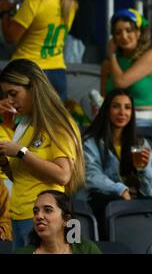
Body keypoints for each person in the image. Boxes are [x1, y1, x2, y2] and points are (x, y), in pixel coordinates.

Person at [0, 59, 85, 249]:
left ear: (33, 88)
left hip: (44, 219)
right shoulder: (25, 124)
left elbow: (63, 175)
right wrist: (5, 163)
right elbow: (22, 178)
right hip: (19, 215)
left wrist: (21, 152)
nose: (10, 101)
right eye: (6, 94)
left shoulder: (58, 123)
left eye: (14, 93)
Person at [78, 89, 152, 238]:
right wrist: (121, 190)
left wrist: (144, 169)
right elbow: (91, 176)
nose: (122, 112)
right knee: (111, 202)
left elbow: (151, 190)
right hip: (100, 201)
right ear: (107, 110)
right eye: (116, 106)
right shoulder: (91, 141)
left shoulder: (141, 143)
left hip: (131, 199)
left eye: (127, 107)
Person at [0, 0, 78, 102]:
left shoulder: (34, 1)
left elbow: (10, 36)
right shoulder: (69, 3)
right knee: (53, 124)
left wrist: (4, 12)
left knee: (19, 123)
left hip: (27, 71)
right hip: (57, 72)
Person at [101, 8, 152, 127]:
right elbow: (104, 100)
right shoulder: (108, 64)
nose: (123, 36)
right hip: (114, 122)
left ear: (139, 33)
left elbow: (121, 83)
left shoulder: (151, 55)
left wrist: (112, 55)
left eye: (129, 30)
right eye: (118, 32)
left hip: (143, 121)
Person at [16, 190, 101, 254]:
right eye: (35, 211)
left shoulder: (87, 250)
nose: (39, 216)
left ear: (66, 219)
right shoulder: (22, 252)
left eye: (48, 210)